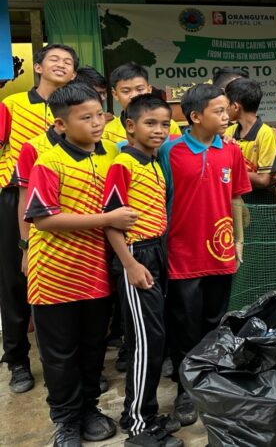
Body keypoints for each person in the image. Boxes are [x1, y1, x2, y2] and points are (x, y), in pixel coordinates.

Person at [24, 83, 132, 445]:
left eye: (99, 114)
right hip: (54, 275)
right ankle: (66, 420)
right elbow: (43, 219)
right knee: (59, 355)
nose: (97, 123)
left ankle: (89, 409)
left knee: (92, 348)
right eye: (86, 118)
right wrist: (107, 219)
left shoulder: (113, 155)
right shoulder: (49, 162)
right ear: (60, 125)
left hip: (96, 273)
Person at [158, 83, 251, 426]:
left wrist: (238, 242)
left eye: (227, 110)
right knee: (185, 324)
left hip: (221, 251)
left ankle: (212, 381)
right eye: (219, 111)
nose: (227, 117)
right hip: (181, 253)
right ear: (195, 116)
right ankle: (186, 389)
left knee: (216, 321)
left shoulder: (231, 151)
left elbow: (236, 198)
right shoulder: (169, 151)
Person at [101, 95, 184, 446]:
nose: (159, 130)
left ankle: (145, 413)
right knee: (146, 341)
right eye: (150, 123)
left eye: (164, 124)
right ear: (130, 126)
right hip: (136, 254)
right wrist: (130, 264)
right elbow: (111, 221)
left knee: (154, 338)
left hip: (156, 250)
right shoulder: (123, 163)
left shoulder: (152, 162)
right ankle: (137, 424)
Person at [0, 43, 78, 394]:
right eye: (54, 59)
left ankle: (66, 360)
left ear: (74, 73)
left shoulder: (76, 106)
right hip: (16, 198)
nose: (61, 65)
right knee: (15, 280)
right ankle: (17, 359)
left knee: (64, 279)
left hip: (66, 201)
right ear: (38, 67)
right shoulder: (12, 105)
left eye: (68, 62)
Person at [224, 77, 276, 202]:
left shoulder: (265, 133)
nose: (225, 109)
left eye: (227, 105)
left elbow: (263, 180)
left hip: (261, 201)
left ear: (235, 106)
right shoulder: (228, 131)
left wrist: (228, 171)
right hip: (236, 196)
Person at [105, 63, 182, 144]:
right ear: (115, 94)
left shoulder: (170, 126)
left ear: (149, 90)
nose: (134, 95)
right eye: (126, 91)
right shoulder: (108, 132)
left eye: (140, 89)